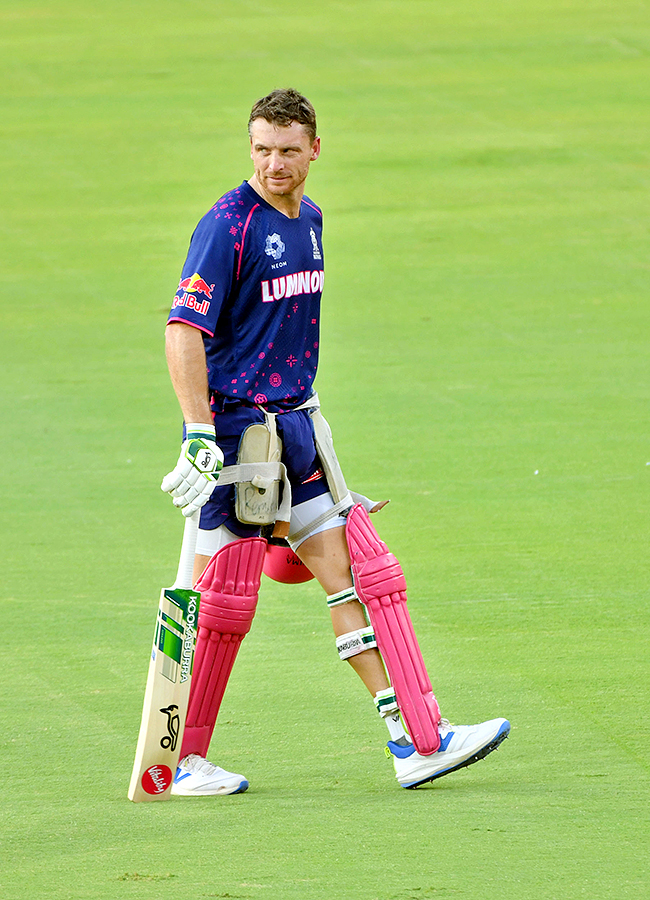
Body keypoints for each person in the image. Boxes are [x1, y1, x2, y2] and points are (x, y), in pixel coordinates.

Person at [161, 89, 510, 795]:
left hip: (295, 428)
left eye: (288, 150)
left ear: (315, 149)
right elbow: (183, 329)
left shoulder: (311, 219)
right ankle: (178, 760)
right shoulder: (226, 226)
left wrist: (315, 428)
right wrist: (199, 431)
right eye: (261, 148)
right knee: (222, 603)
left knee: (362, 573)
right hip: (240, 439)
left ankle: (415, 739)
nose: (274, 163)